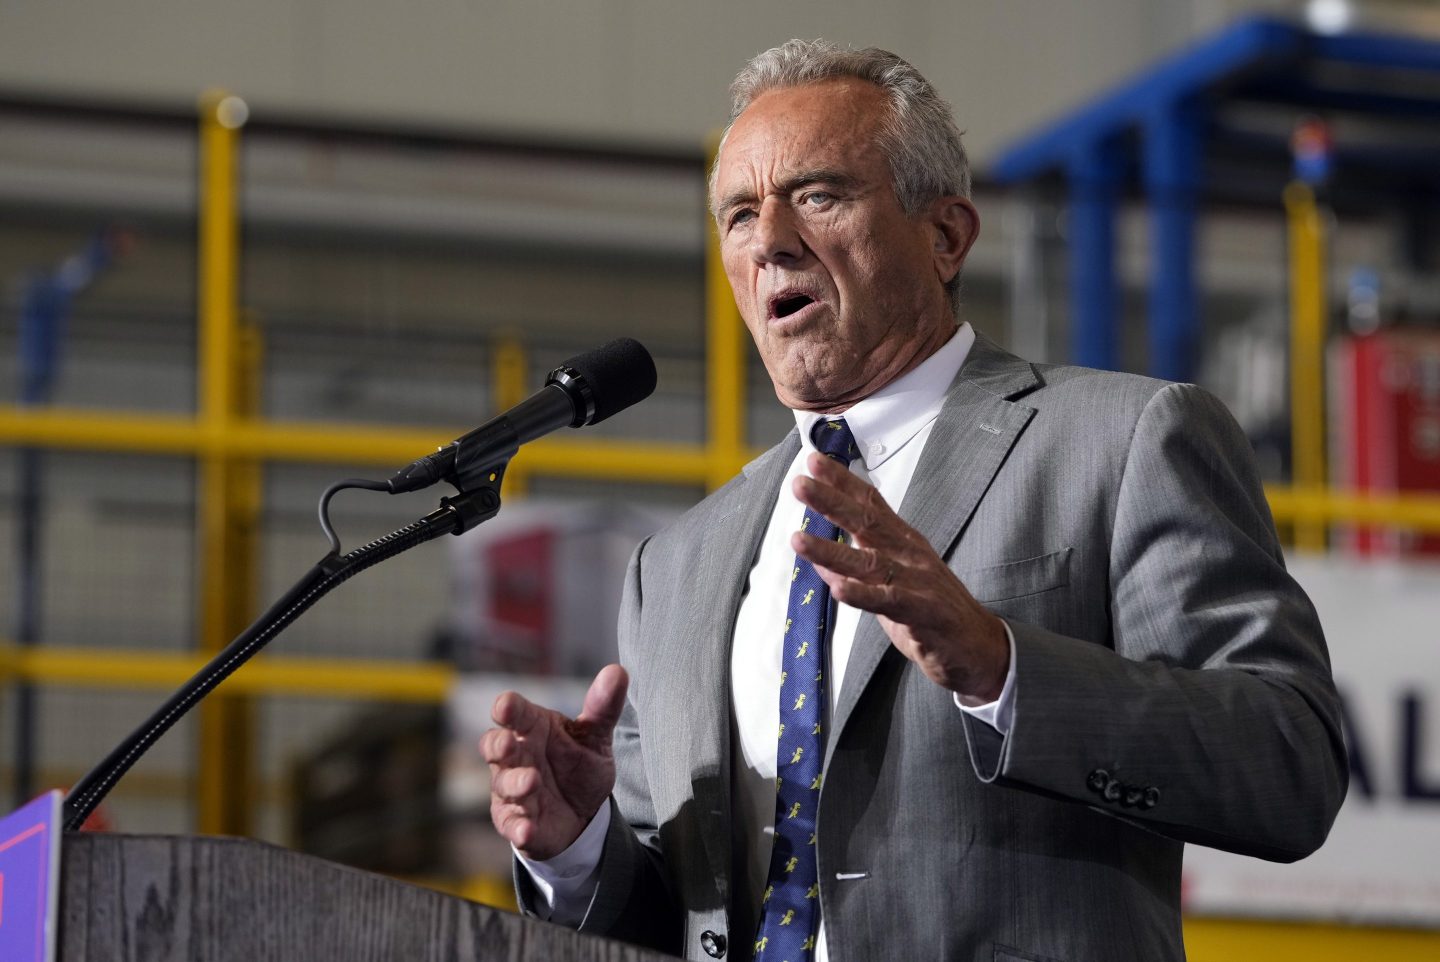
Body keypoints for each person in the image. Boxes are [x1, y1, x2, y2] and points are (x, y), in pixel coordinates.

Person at [482, 40, 1347, 962]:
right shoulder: (677, 566)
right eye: (739, 213)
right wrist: (577, 852)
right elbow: (678, 918)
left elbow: (1287, 764)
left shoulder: (1124, 441)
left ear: (945, 237)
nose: (770, 238)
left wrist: (1001, 667)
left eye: (816, 195)